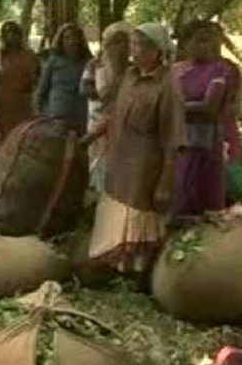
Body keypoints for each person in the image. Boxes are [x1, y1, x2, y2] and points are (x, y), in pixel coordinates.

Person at [81, 23, 185, 287]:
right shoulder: (129, 76)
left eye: (140, 46)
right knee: (114, 208)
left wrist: (165, 179)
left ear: (157, 51)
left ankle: (137, 274)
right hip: (118, 158)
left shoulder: (168, 85)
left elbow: (173, 136)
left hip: (145, 164)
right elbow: (113, 113)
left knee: (138, 216)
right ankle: (115, 269)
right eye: (133, 45)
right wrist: (88, 139)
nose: (134, 51)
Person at [172, 20, 238, 216]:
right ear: (185, 44)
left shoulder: (220, 70)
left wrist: (174, 107)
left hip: (204, 142)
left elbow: (209, 108)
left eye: (207, 41)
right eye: (199, 41)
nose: (205, 46)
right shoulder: (174, 70)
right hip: (176, 141)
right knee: (177, 193)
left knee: (203, 195)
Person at [81, 21, 131, 192]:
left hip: (125, 121)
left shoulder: (134, 68)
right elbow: (90, 90)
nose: (121, 46)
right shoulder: (95, 65)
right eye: (116, 41)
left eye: (125, 41)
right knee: (98, 159)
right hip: (98, 118)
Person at [0, 21, 40, 143]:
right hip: (5, 104)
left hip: (25, 104)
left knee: (24, 138)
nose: (11, 35)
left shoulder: (30, 55)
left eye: (14, 32)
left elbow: (38, 80)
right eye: (8, 32)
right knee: (6, 138)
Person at [36, 23, 92, 135]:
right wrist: (41, 113)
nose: (72, 41)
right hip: (57, 115)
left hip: (81, 116)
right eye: (67, 38)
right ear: (61, 41)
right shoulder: (53, 61)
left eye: (75, 37)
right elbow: (42, 90)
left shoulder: (87, 61)